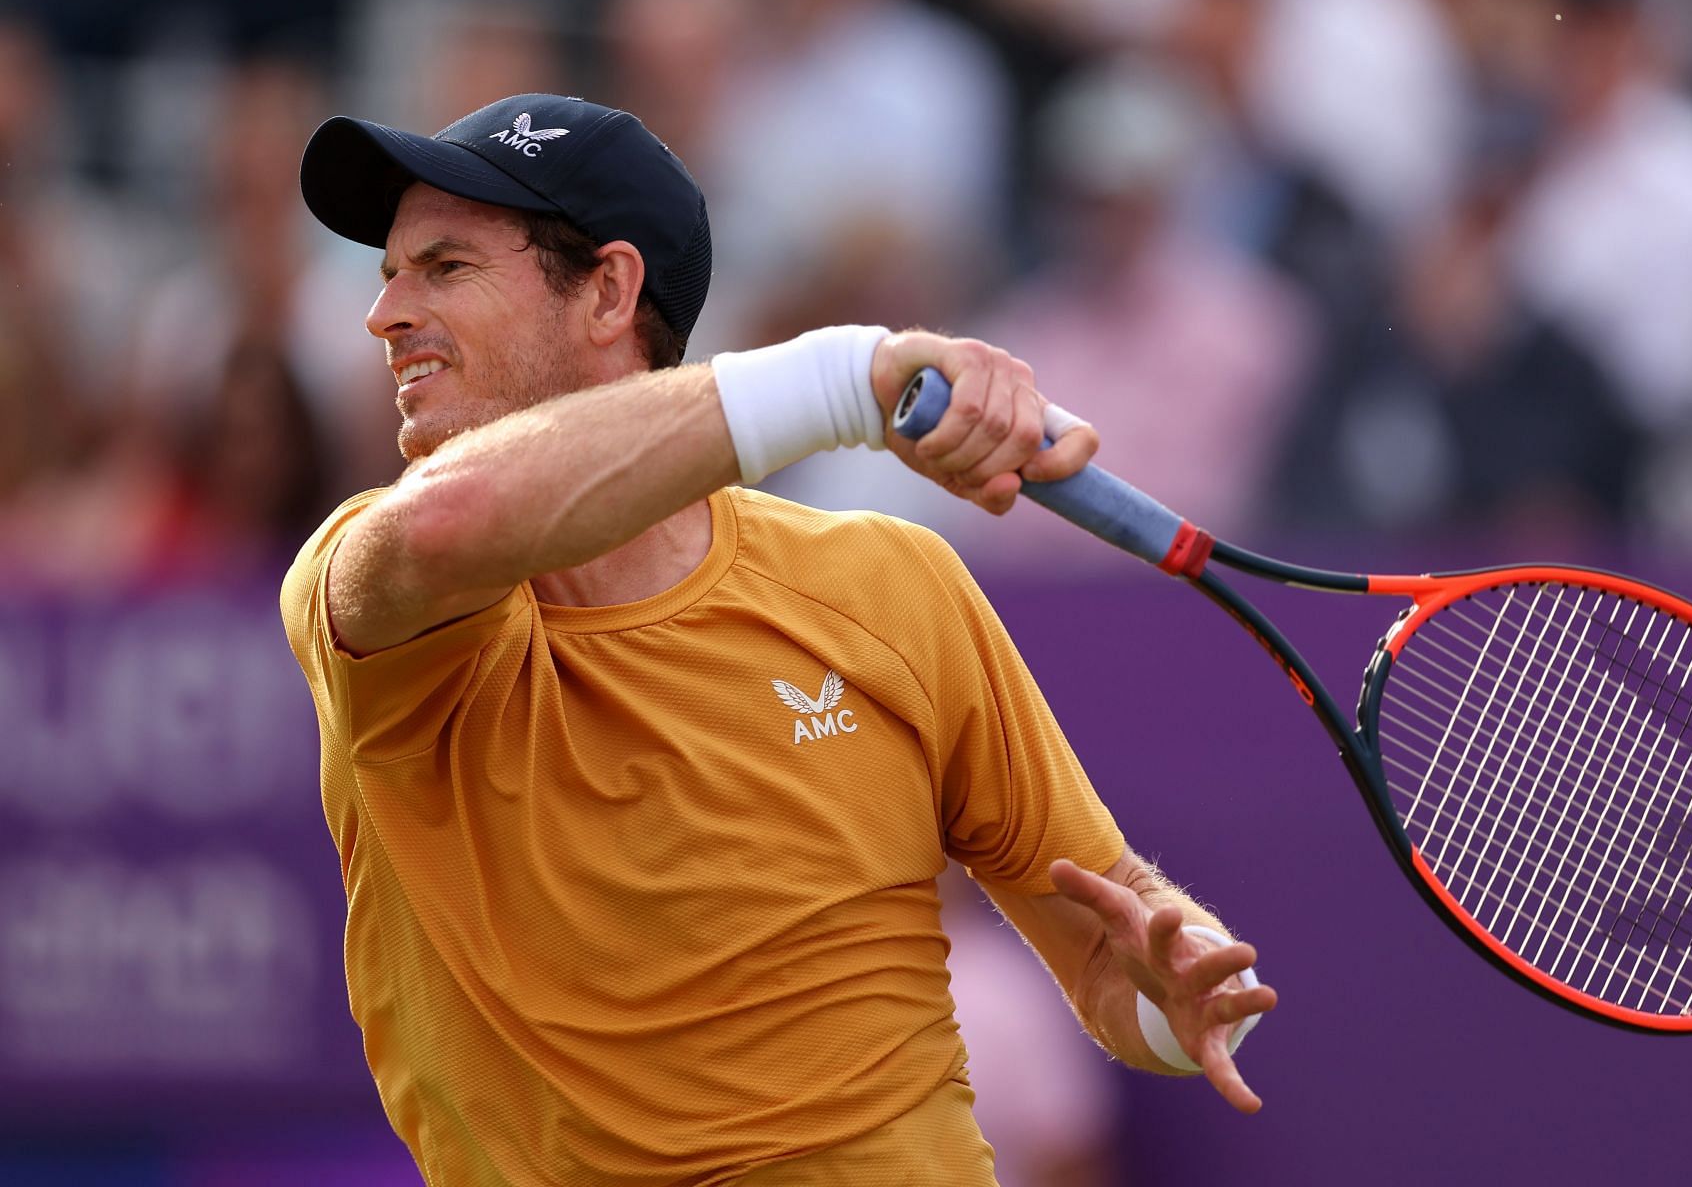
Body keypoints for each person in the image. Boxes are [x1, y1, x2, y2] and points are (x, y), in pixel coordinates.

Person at [280, 92, 1274, 1186]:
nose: (386, 314)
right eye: (389, 275)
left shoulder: (892, 585)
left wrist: (1173, 999)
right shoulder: (367, 579)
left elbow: (1102, 935)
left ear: (609, 290)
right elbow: (453, 521)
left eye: (446, 268)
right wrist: (847, 377)